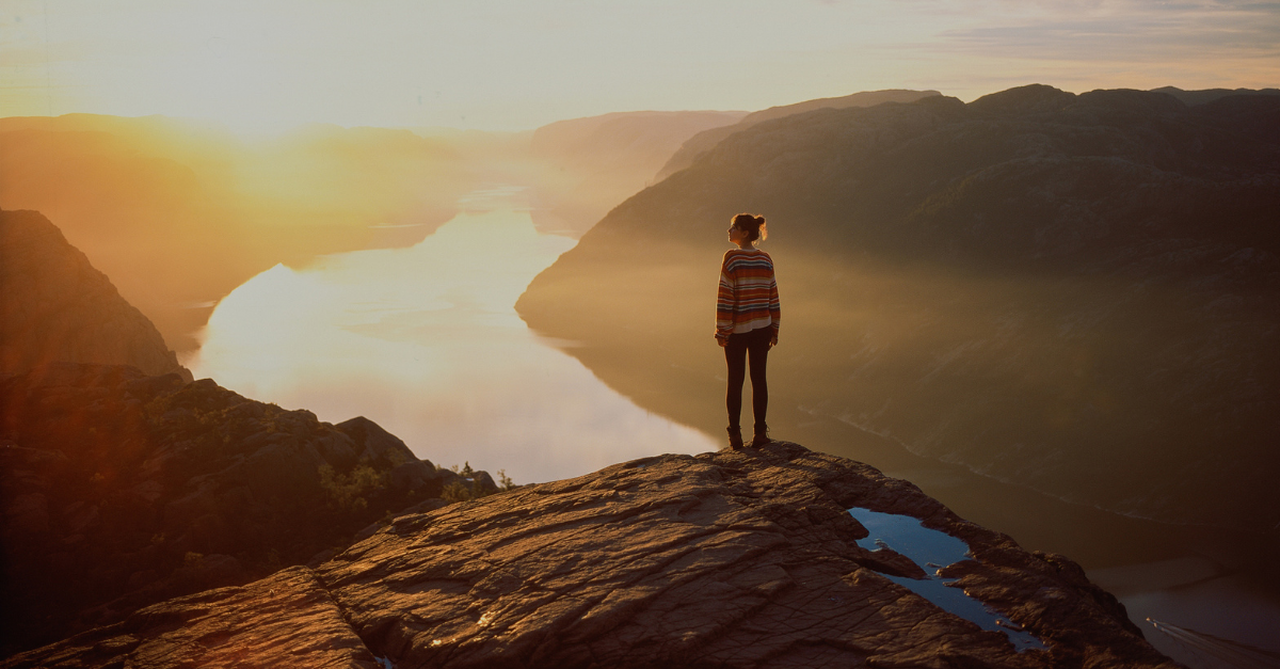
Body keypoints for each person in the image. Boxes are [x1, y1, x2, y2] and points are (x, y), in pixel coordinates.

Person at [715, 213, 780, 449]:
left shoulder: (731, 259)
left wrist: (722, 330)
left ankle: (735, 436)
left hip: (737, 331)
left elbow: (725, 297)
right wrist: (775, 327)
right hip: (762, 328)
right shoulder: (766, 259)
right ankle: (760, 433)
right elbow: (773, 295)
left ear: (744, 233)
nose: (729, 231)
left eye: (733, 227)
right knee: (759, 379)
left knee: (735, 380)